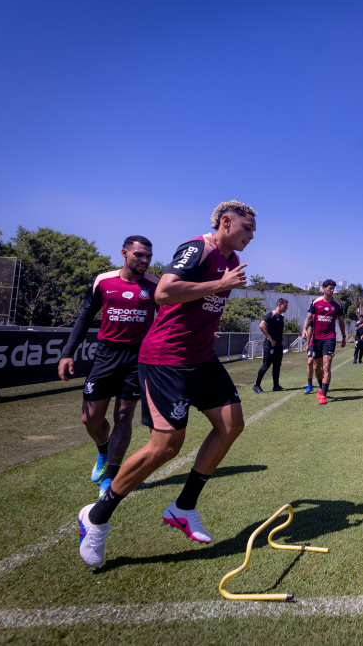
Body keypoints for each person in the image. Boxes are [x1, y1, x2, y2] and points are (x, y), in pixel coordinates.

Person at [78, 200, 257, 567]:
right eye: (247, 228)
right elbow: (164, 292)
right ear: (226, 222)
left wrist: (223, 281)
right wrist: (220, 284)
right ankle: (96, 517)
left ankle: (184, 506)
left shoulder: (233, 262)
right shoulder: (197, 249)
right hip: (167, 359)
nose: (252, 236)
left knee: (231, 424)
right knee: (166, 446)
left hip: (202, 358)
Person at [59, 236, 158, 497]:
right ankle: (103, 451)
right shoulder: (103, 281)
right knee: (89, 417)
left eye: (148, 256)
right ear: (124, 253)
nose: (144, 260)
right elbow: (85, 318)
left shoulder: (155, 285)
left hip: (138, 358)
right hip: (106, 355)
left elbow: (173, 314)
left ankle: (111, 476)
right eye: (139, 255)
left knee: (124, 415)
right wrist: (67, 353)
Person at [303, 279, 346, 405]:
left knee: (326, 365)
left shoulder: (337, 304)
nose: (332, 291)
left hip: (330, 338)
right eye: (329, 288)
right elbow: (309, 317)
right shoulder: (316, 302)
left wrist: (344, 337)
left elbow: (341, 321)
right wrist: (304, 330)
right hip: (317, 339)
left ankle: (323, 395)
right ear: (323, 289)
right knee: (317, 366)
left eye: (333, 289)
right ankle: (321, 387)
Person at [253, 298, 288, 393]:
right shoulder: (271, 314)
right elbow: (261, 325)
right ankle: (256, 386)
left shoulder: (281, 316)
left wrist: (281, 339)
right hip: (269, 345)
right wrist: (270, 339)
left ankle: (276, 386)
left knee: (277, 365)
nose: (287, 308)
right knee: (266, 365)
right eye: (285, 306)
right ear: (279, 305)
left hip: (278, 345)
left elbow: (282, 329)